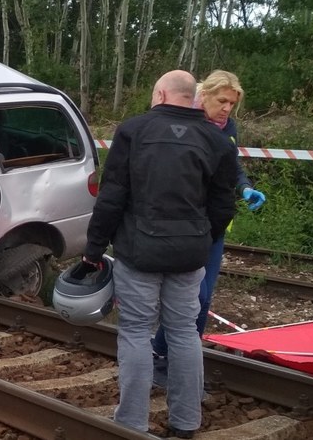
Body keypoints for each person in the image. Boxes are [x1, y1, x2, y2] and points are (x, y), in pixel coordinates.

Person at [84, 71, 238, 438]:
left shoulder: (134, 131)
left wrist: (94, 247)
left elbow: (113, 195)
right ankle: (186, 422)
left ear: (160, 93)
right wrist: (202, 238)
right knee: (184, 331)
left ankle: (132, 425)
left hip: (139, 252)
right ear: (193, 97)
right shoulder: (217, 142)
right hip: (190, 255)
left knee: (136, 332)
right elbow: (223, 205)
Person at [150, 70, 266, 383]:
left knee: (203, 300)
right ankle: (163, 356)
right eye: (222, 100)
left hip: (214, 229)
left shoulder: (228, 128)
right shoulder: (185, 121)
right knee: (191, 297)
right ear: (205, 96)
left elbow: (233, 166)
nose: (227, 108)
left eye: (233, 102)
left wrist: (244, 188)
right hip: (185, 225)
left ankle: (174, 358)